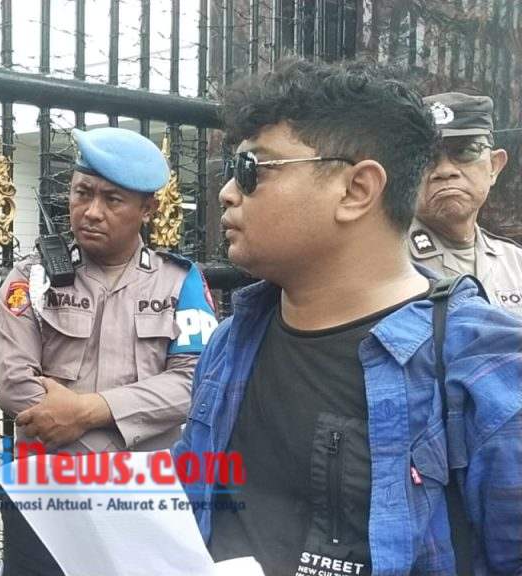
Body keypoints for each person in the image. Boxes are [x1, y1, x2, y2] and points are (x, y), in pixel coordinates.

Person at [173, 58, 522, 576]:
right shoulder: (230, 344)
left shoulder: (486, 370)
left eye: (251, 169)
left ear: (357, 190)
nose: (227, 191)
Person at [0, 127, 217, 576]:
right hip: (47, 495)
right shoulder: (31, 278)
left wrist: (89, 411)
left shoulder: (181, 283)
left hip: (141, 496)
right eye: (83, 193)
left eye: (112, 200)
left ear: (148, 209)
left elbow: (196, 383)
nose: (92, 212)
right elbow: (14, 385)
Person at [409, 92, 522, 316]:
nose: (445, 171)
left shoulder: (516, 263)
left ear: (494, 166)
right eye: (425, 157)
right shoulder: (385, 262)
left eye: (465, 151)